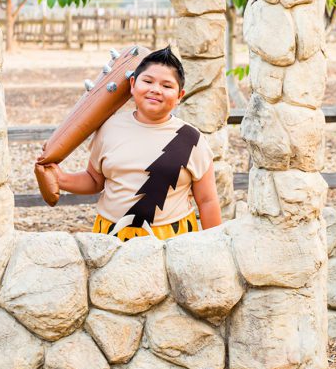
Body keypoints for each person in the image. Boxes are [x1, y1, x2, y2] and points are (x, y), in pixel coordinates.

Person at [46, 47, 221, 241]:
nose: (155, 89)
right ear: (132, 84)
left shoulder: (191, 139)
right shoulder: (109, 128)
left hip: (171, 238)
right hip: (112, 236)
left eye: (167, 86)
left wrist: (213, 246)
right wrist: (60, 179)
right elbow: (95, 180)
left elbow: (207, 200)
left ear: (180, 95)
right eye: (147, 81)